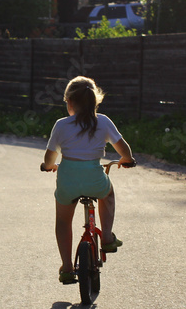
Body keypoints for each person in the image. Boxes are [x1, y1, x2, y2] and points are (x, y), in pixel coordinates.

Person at [40, 76, 135, 284]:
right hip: (93, 177)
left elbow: (49, 157)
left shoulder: (61, 125)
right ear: (95, 101)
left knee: (63, 221)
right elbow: (124, 149)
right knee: (107, 193)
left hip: (68, 181)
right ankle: (107, 237)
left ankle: (66, 267)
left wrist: (47, 167)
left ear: (70, 102)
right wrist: (127, 160)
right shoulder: (103, 121)